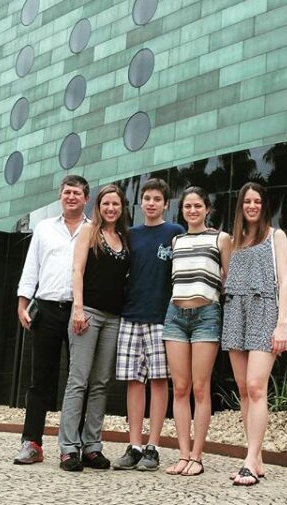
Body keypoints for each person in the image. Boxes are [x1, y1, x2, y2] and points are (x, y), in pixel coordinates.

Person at [14, 175, 90, 464]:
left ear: (86, 199)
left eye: (77, 193)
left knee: (78, 380)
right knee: (40, 380)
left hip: (78, 312)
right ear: (61, 195)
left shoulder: (92, 229)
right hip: (45, 309)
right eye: (67, 192)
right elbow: (31, 265)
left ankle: (74, 444)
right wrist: (23, 303)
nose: (71, 197)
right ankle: (31, 442)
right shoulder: (44, 228)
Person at [221, 182, 287, 486]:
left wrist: (281, 324)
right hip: (236, 311)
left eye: (257, 201)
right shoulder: (233, 242)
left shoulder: (276, 237)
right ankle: (257, 457)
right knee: (243, 389)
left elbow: (285, 283)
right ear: (241, 206)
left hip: (265, 312)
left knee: (256, 386)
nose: (252, 206)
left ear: (264, 206)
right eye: (247, 201)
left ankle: (249, 461)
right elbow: (226, 279)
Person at [113, 178, 185, 472]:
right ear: (140, 202)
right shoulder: (130, 235)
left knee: (158, 381)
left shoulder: (175, 233)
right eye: (147, 198)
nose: (152, 203)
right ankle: (134, 445)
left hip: (162, 318)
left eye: (158, 198)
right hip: (130, 316)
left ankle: (153, 447)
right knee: (133, 381)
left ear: (166, 204)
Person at [58, 185, 130, 472]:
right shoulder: (90, 231)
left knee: (101, 383)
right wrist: (77, 308)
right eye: (106, 203)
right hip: (87, 314)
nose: (111, 208)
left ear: (122, 208)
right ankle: (68, 449)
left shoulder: (124, 238)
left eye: (116, 204)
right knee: (78, 380)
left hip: (114, 318)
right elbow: (77, 270)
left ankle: (92, 446)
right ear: (98, 206)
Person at [162, 186, 231, 476]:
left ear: (207, 209)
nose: (192, 211)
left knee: (201, 388)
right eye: (188, 206)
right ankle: (183, 454)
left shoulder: (221, 238)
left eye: (197, 206)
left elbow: (228, 279)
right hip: (175, 315)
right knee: (180, 388)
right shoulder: (176, 240)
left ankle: (198, 457)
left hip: (206, 315)